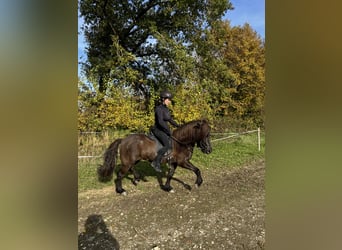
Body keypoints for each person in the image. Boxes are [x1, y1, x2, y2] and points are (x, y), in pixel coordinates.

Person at [151, 90, 180, 172]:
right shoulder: (158, 109)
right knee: (167, 145)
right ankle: (155, 162)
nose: (170, 101)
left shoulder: (166, 109)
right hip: (158, 130)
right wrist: (168, 131)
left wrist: (178, 126)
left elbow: (170, 120)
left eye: (170, 100)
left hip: (164, 130)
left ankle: (169, 160)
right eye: (169, 100)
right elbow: (160, 122)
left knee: (172, 143)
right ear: (163, 99)